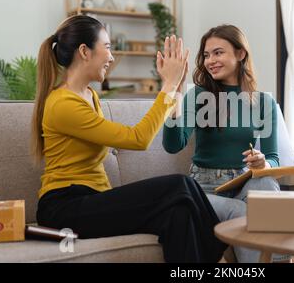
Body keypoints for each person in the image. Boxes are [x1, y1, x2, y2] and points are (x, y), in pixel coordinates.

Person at [31, 15, 227, 263]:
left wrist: (174, 88)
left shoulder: (89, 95)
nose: (111, 57)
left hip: (92, 199)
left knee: (178, 213)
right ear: (84, 51)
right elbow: (138, 139)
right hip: (64, 208)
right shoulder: (62, 104)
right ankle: (222, 261)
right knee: (180, 185)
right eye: (108, 47)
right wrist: (166, 85)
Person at [163, 25, 289, 263]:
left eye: (218, 53)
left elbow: (274, 158)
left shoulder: (263, 102)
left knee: (266, 182)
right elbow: (173, 145)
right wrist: (174, 96)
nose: (210, 60)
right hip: (205, 189)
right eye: (207, 55)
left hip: (244, 181)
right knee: (246, 214)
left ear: (240, 54)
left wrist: (263, 161)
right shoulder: (199, 95)